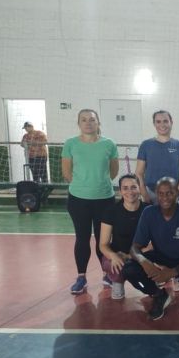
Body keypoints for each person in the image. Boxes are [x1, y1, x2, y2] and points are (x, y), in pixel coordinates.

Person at [122, 177, 179, 320]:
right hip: (160, 256)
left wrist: (173, 272)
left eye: (169, 193)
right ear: (156, 194)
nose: (165, 197)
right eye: (161, 193)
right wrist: (145, 262)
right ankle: (159, 294)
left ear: (177, 193)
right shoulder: (149, 213)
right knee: (129, 269)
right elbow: (134, 248)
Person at [61, 109, 119, 294]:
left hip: (105, 200)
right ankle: (81, 277)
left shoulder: (109, 144)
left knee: (104, 240)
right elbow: (66, 172)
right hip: (78, 200)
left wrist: (98, 184)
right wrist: (83, 186)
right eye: (84, 120)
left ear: (98, 122)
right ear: (79, 123)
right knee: (82, 238)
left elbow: (113, 172)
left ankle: (107, 274)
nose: (88, 123)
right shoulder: (70, 144)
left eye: (92, 119)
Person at [99, 174, 147, 300]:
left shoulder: (149, 210)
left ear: (139, 189)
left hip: (142, 254)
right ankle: (117, 281)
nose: (130, 191)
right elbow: (103, 245)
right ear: (120, 191)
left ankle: (151, 282)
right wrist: (113, 255)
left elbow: (155, 243)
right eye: (125, 188)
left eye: (133, 187)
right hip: (119, 254)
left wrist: (131, 256)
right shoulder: (111, 211)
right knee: (113, 261)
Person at [136, 110, 179, 205]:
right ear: (154, 124)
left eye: (165, 121)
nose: (162, 125)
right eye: (158, 122)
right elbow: (139, 173)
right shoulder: (145, 145)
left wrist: (176, 193)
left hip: (174, 195)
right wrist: (144, 194)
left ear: (171, 122)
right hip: (151, 195)